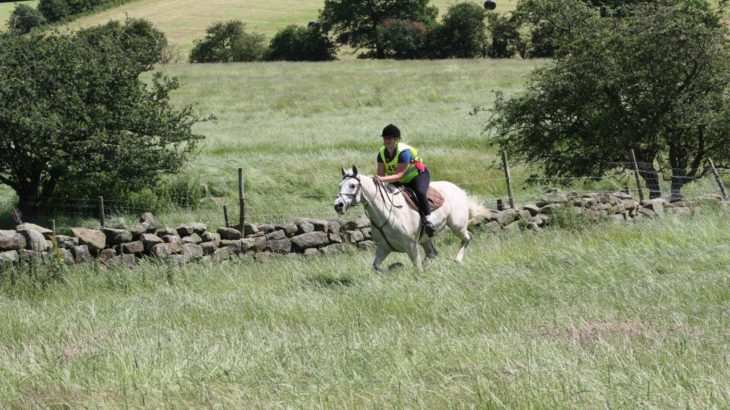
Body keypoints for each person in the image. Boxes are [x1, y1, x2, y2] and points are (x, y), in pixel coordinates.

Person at [375, 124, 436, 236]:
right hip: (401, 179)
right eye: (385, 138)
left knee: (420, 192)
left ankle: (429, 221)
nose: (387, 141)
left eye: (389, 138)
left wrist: (380, 178)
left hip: (417, 176)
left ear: (396, 139)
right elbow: (380, 175)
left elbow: (399, 175)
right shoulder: (382, 153)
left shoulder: (404, 153)